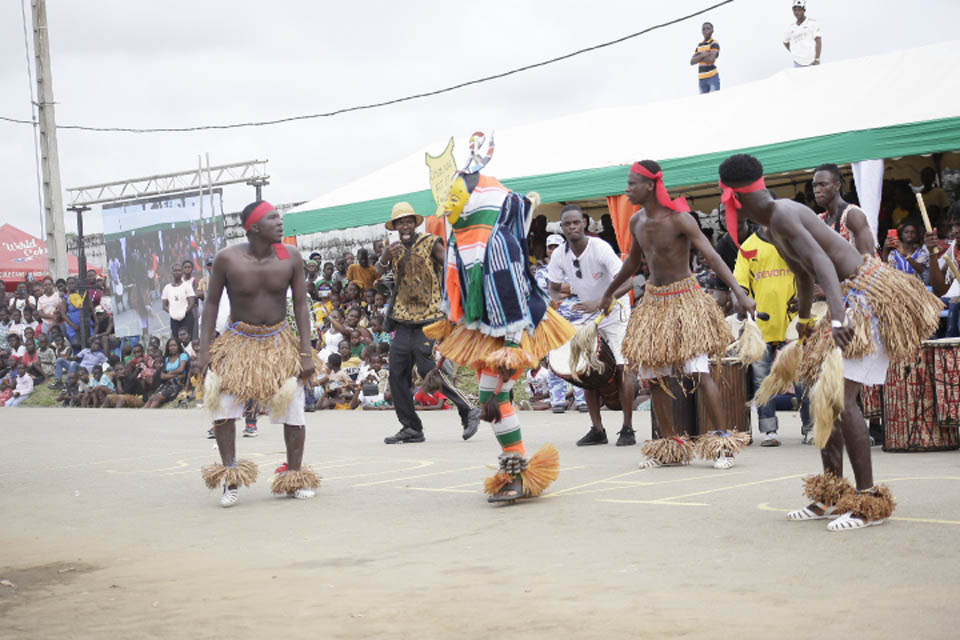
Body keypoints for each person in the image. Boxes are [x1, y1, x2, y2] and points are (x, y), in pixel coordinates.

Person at [718, 153, 943, 531]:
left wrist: (837, 318)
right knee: (824, 396)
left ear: (735, 197)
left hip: (868, 297)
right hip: (849, 300)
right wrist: (806, 321)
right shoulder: (773, 224)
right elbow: (804, 276)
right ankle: (830, 495)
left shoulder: (783, 214)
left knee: (840, 398)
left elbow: (823, 263)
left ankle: (869, 502)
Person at [425, 135, 573, 503]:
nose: (447, 205)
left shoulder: (498, 240)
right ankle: (516, 472)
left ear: (474, 196)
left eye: (454, 196)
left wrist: (510, 349)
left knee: (494, 399)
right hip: (485, 326)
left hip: (512, 327)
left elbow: (514, 294)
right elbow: (458, 292)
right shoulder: (462, 238)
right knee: (494, 400)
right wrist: (443, 347)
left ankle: (518, 473)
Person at [599, 160, 756, 470]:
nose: (627, 190)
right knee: (657, 378)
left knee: (699, 372)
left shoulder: (680, 219)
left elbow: (712, 256)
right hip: (654, 305)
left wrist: (740, 293)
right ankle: (670, 447)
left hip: (686, 302)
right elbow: (633, 263)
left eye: (632, 184)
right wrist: (609, 292)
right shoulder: (636, 222)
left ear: (650, 186)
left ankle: (722, 445)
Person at [198, 200, 320, 508]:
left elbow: (301, 304)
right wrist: (205, 349)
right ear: (253, 227)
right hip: (238, 341)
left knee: (294, 408)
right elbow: (211, 304)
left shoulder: (290, 256)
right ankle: (230, 477)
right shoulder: (228, 258)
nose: (280, 223)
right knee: (224, 405)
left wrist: (306, 351)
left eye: (279, 217)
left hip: (279, 341)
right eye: (273, 218)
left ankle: (294, 477)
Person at [374, 201, 478, 444]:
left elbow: (452, 266)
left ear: (414, 223)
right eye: (400, 223)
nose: (405, 226)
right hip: (403, 320)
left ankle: (467, 408)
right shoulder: (392, 248)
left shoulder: (431, 242)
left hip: (429, 318)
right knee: (396, 373)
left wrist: (457, 301)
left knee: (427, 369)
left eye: (408, 221)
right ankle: (411, 427)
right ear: (395, 227)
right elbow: (377, 273)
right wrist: (386, 255)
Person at [547, 205, 637, 446]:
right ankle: (597, 429)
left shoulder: (600, 248)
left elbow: (628, 282)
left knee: (623, 367)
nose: (572, 227)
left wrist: (601, 301)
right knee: (584, 368)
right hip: (589, 314)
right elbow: (553, 287)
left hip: (615, 310)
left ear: (584, 223)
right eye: (567, 224)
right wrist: (556, 301)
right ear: (562, 227)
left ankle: (627, 428)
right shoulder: (559, 255)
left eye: (576, 222)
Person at [734, 226, 809, 446]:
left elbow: (809, 272)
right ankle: (769, 431)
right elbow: (739, 285)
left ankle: (810, 428)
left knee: (801, 376)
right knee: (762, 379)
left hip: (794, 322)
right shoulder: (748, 247)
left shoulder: (792, 239)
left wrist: (805, 297)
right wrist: (742, 304)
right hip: (761, 323)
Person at [812, 164, 876, 256]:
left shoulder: (853, 215)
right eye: (815, 185)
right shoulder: (819, 220)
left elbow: (869, 259)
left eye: (823, 184)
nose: (817, 190)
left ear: (837, 186)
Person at [161, 264, 197, 341]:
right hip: (174, 320)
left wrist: (183, 313)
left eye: (179, 270)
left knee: (188, 340)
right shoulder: (167, 288)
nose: (177, 272)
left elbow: (192, 303)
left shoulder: (187, 286)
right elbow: (164, 306)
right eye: (175, 270)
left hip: (187, 318)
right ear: (172, 272)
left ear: (182, 272)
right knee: (176, 340)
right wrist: (173, 313)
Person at [783, 0, 821, 68]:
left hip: (812, 62)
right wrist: (794, 52)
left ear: (804, 10)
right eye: (795, 10)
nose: (797, 12)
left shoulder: (812, 23)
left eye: (799, 10)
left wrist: (817, 59)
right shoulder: (791, 28)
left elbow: (818, 41)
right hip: (797, 64)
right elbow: (785, 42)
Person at [690, 21, 720, 94]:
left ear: (712, 30)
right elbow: (692, 62)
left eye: (708, 28)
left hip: (712, 77)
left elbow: (711, 60)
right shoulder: (699, 45)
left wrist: (698, 58)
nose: (705, 30)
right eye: (703, 29)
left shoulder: (714, 43)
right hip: (702, 79)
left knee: (714, 99)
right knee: (703, 100)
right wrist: (703, 55)